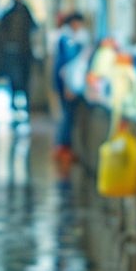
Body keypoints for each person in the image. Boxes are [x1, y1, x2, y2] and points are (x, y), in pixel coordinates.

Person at [52, 12, 89, 161]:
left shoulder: (71, 38)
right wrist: (69, 87)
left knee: (68, 115)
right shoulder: (67, 39)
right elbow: (67, 66)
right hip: (66, 84)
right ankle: (63, 147)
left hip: (67, 83)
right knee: (67, 116)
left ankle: (64, 146)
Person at [0, 0, 37, 116]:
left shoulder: (25, 11)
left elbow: (33, 27)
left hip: (24, 51)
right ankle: (15, 104)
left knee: (25, 78)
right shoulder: (8, 13)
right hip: (12, 52)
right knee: (14, 79)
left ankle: (26, 105)